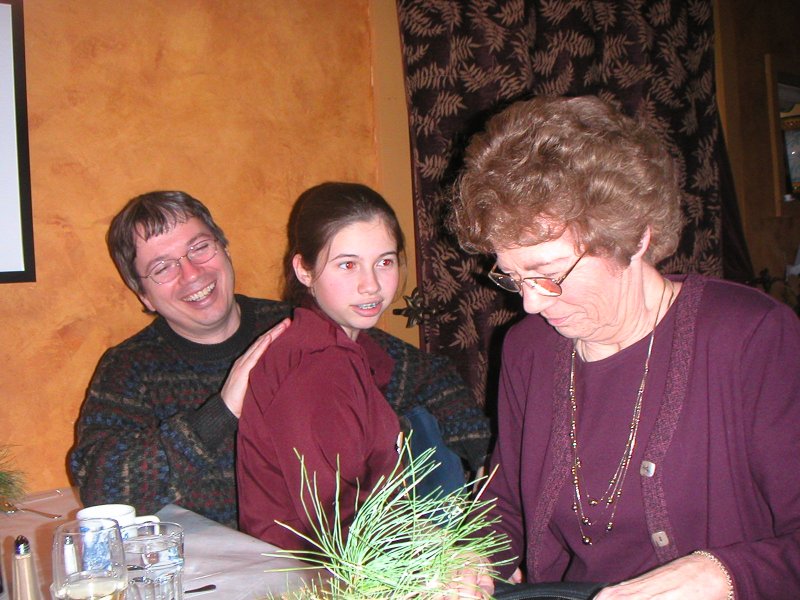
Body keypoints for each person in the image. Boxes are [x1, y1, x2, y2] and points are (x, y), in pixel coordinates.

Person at [448, 96, 800, 599]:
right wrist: (472, 555)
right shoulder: (528, 348)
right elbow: (506, 502)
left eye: (550, 274)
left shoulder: (751, 337)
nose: (530, 302)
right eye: (513, 276)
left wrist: (722, 575)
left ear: (635, 240)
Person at [69, 190, 491, 529]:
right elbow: (101, 490)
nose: (192, 273)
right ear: (142, 294)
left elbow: (429, 377)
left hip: (314, 566)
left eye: (200, 248)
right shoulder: (131, 368)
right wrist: (221, 412)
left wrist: (489, 470)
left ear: (225, 249)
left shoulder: (295, 329)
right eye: (163, 267)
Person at [237, 182, 409, 548]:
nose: (371, 285)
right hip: (312, 572)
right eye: (348, 265)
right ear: (304, 270)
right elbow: (338, 524)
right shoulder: (318, 364)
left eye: (385, 262)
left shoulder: (343, 346)